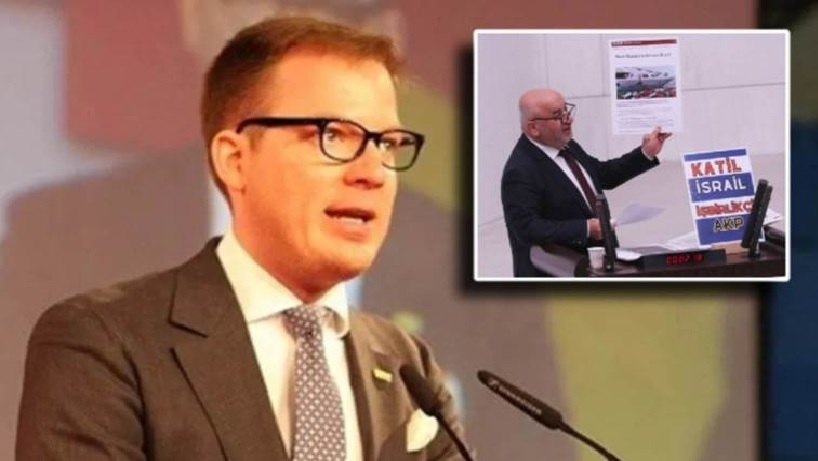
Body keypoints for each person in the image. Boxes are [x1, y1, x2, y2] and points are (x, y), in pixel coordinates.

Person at [16, 16, 465, 461]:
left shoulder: (409, 369)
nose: (373, 173)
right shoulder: (103, 344)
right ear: (235, 160)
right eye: (333, 136)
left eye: (387, 144)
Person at [501, 88, 671, 277]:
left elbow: (602, 174)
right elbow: (527, 228)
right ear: (534, 128)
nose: (568, 120)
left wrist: (646, 152)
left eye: (566, 111)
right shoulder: (520, 170)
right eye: (558, 116)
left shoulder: (566, 146)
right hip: (558, 274)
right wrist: (586, 229)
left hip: (598, 268)